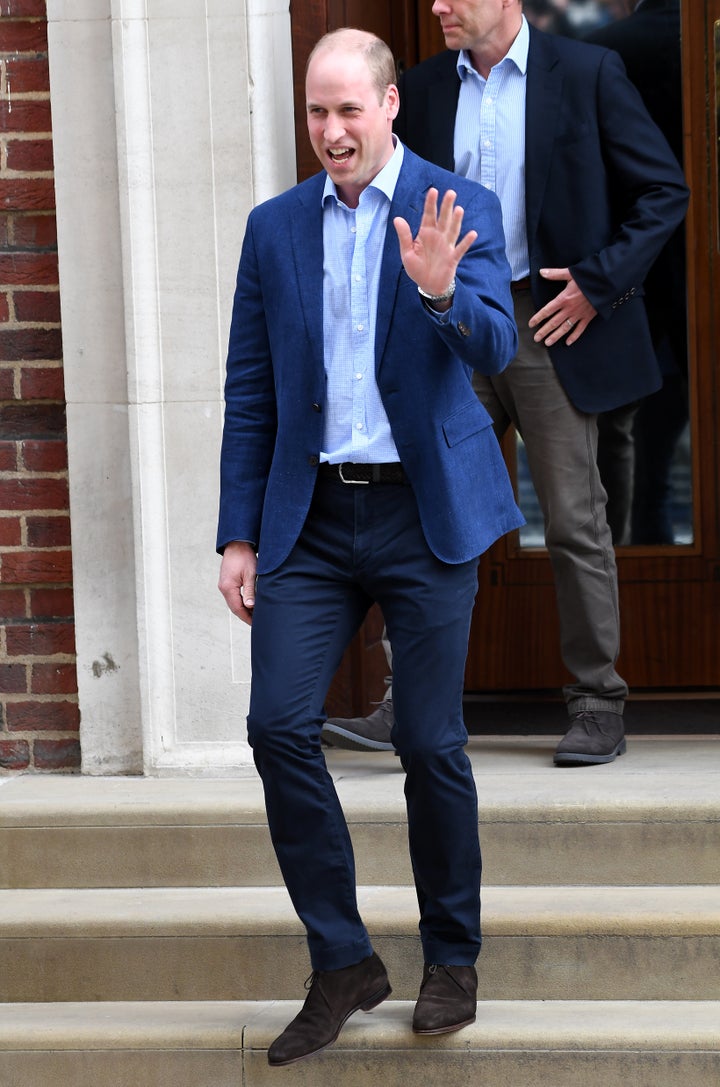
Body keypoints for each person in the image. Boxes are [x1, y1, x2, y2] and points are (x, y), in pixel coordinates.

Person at [217, 27, 524, 1066]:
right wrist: (239, 533)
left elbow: (496, 342)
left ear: (393, 105)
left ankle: (452, 955)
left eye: (351, 109)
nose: (333, 131)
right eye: (317, 111)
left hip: (422, 510)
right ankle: (343, 958)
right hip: (310, 514)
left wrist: (440, 292)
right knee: (275, 723)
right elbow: (251, 392)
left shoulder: (454, 206)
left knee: (429, 742)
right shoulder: (273, 229)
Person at [322, 0, 689, 766]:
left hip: (552, 323)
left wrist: (598, 284)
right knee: (421, 507)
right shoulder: (419, 90)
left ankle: (596, 702)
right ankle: (408, 702)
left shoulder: (588, 73)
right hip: (451, 318)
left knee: (572, 519)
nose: (438, 7)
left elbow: (663, 192)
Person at [587, 0, 688, 545]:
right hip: (688, 266)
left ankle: (626, 557)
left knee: (619, 427)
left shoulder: (608, 48)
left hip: (632, 263)